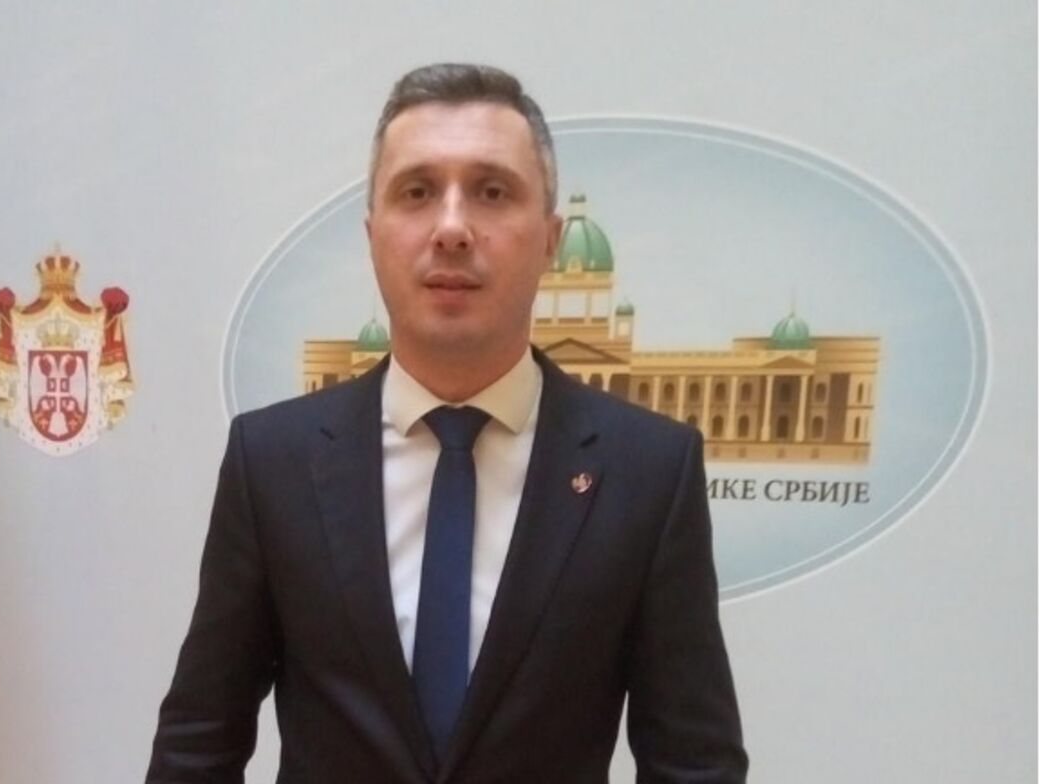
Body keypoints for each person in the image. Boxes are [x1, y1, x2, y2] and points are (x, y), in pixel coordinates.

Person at [147, 63, 748, 783]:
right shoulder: (272, 461)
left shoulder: (649, 471)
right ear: (373, 234)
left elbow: (694, 764)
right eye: (417, 192)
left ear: (550, 239)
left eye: (492, 192)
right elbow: (199, 743)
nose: (453, 227)